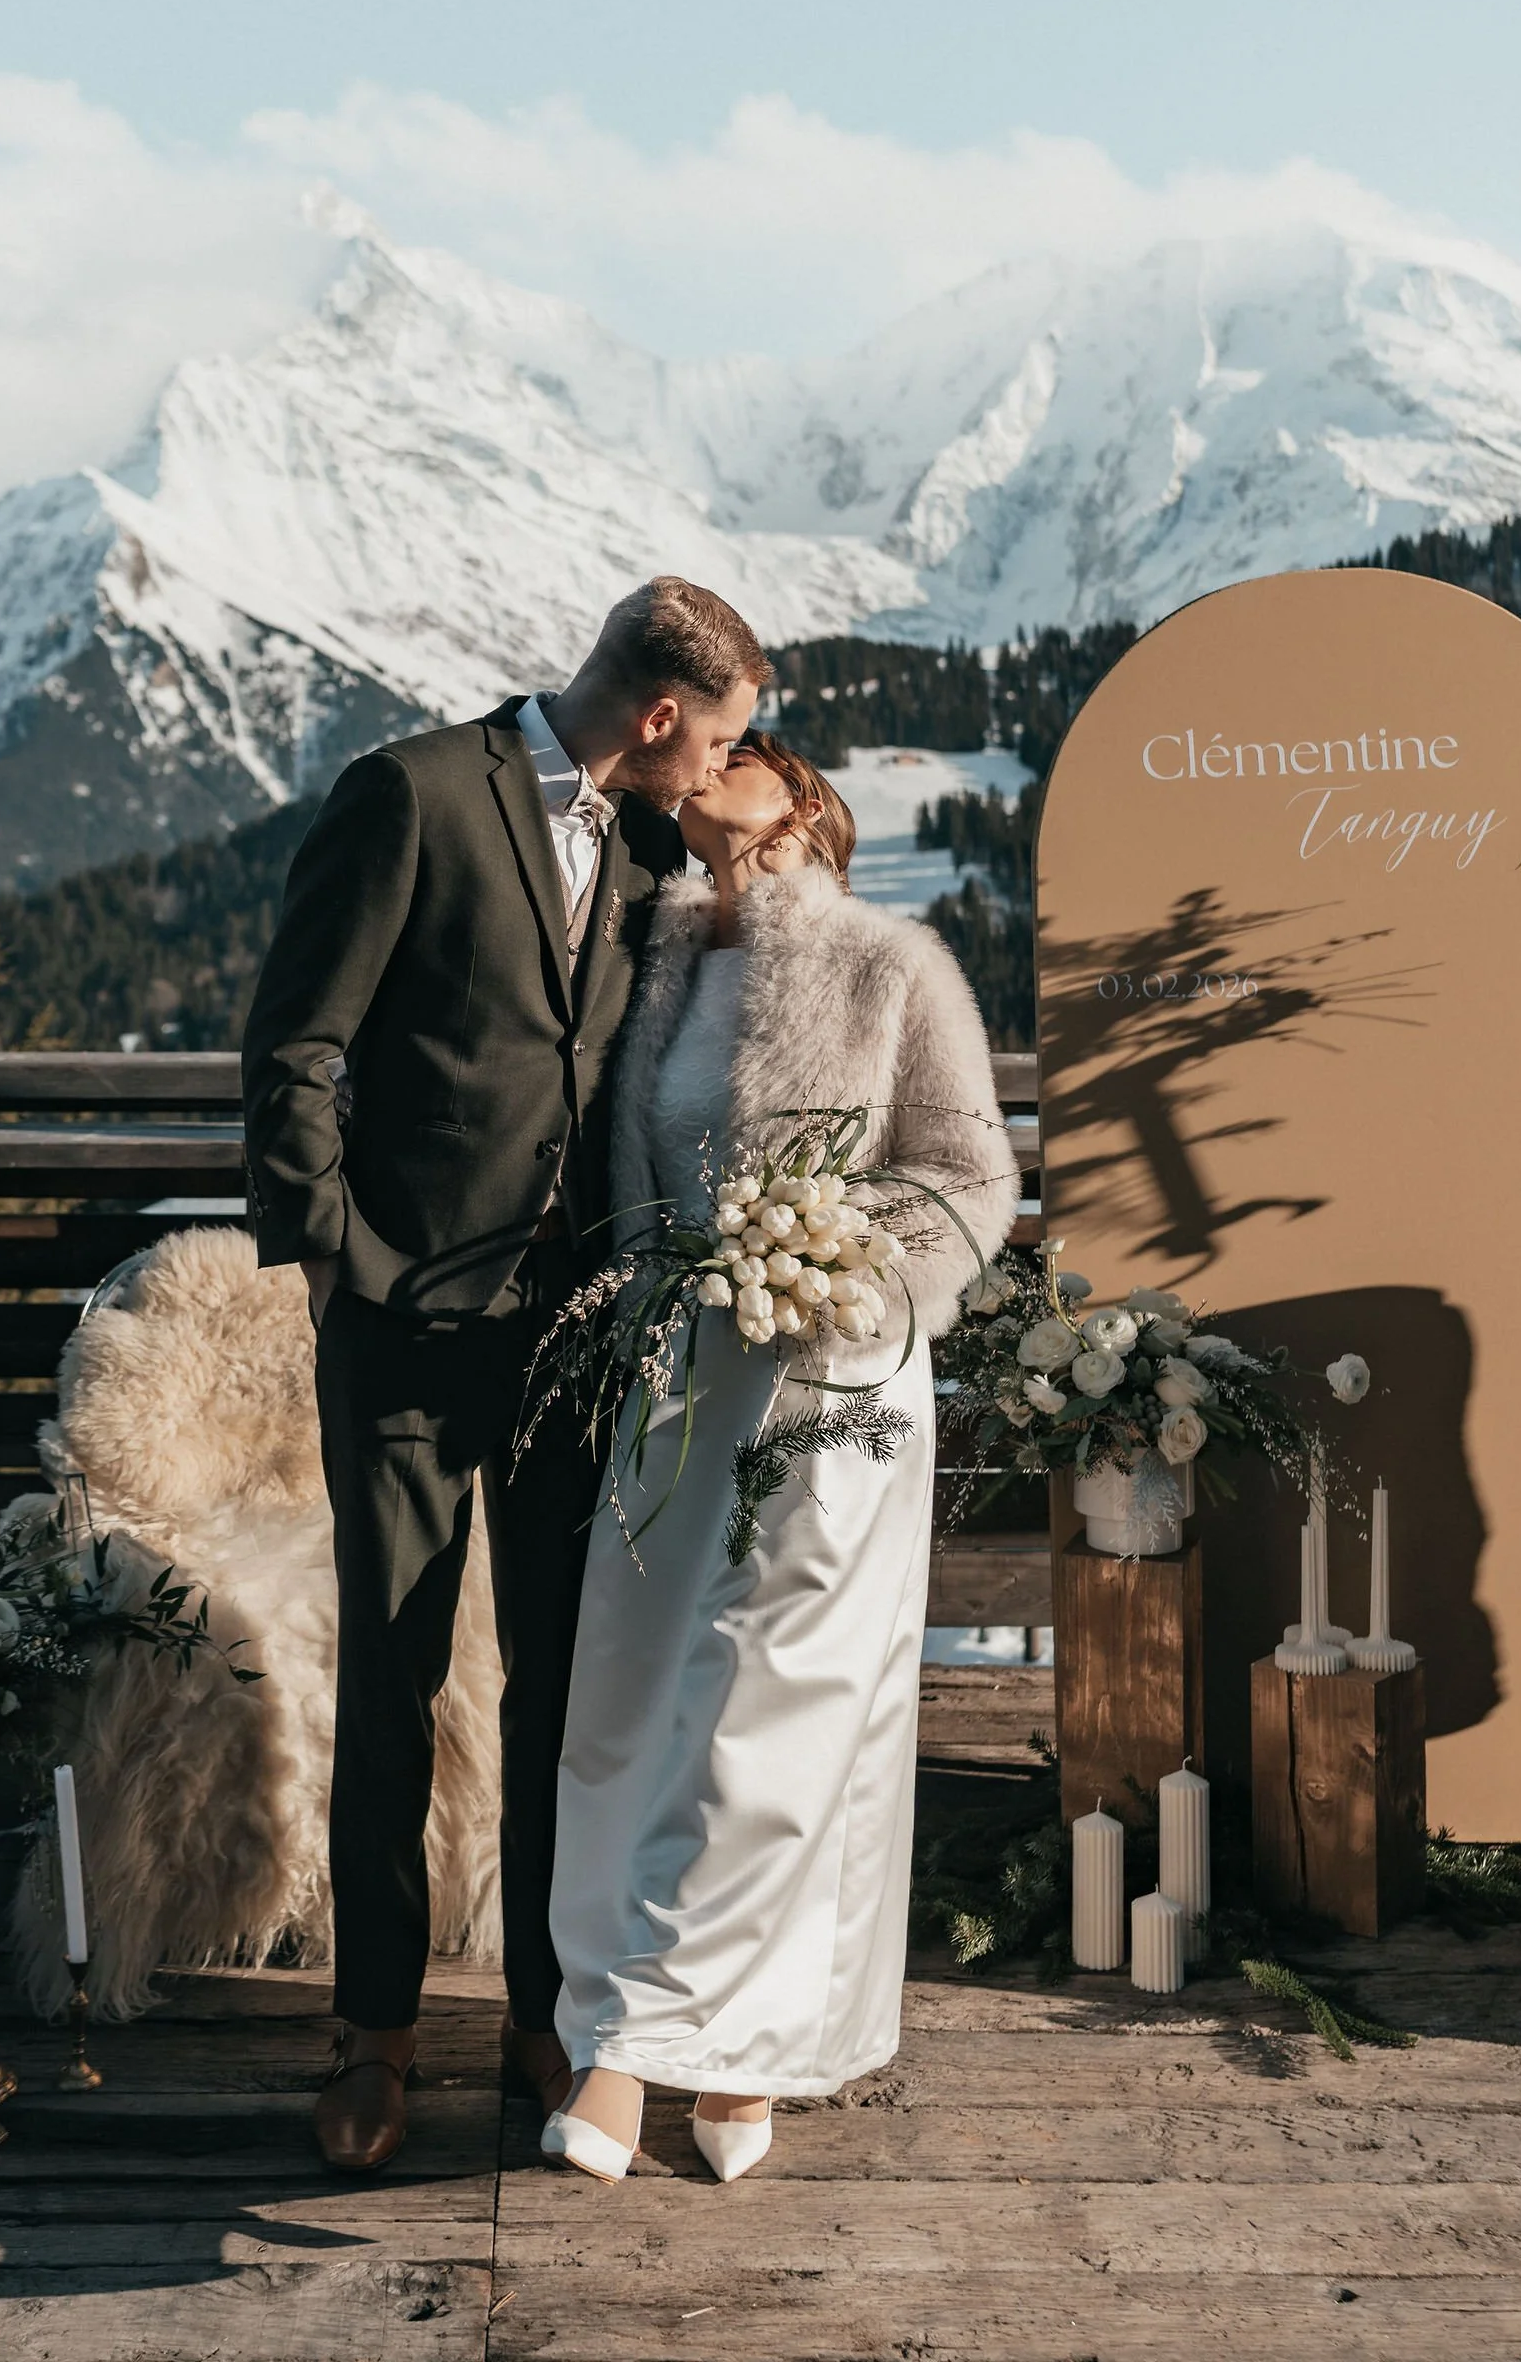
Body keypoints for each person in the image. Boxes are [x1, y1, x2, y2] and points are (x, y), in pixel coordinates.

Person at [241, 577, 767, 2170]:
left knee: (561, 1688)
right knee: (393, 1687)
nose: (731, 762)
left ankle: (548, 2016)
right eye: (726, 736)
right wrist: (335, 1255)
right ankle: (374, 2032)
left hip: (574, 1335)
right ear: (661, 715)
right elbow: (295, 1041)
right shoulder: (408, 795)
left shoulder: (657, 840)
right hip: (401, 1326)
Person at [541, 732, 1019, 2183]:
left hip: (837, 1383)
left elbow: (973, 1179)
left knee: (771, 1708)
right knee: (633, 1703)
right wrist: (644, 1303)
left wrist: (843, 1264)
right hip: (679, 1382)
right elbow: (629, 1187)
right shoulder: (665, 968)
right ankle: (734, 2044)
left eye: (744, 746)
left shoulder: (896, 964)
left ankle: (631, 2049)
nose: (709, 761)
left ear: (801, 803)